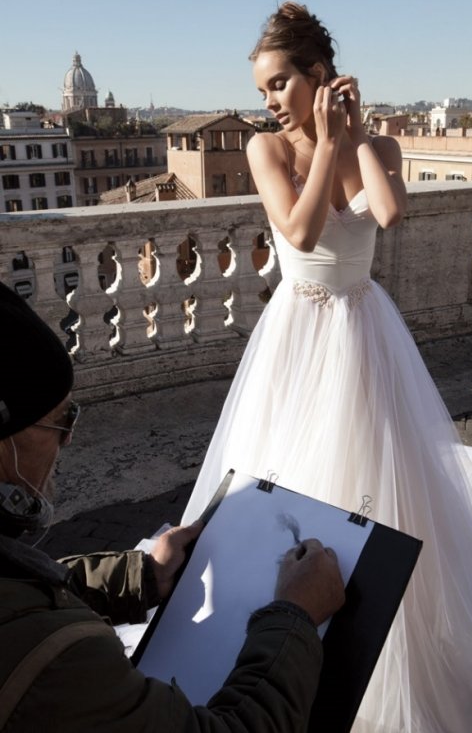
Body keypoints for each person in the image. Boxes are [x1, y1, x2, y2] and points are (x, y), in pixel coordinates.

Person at [181, 2, 472, 732]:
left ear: (320, 74)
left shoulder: (376, 144)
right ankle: (287, 634)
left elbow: (387, 214)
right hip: (296, 333)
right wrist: (324, 142)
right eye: (263, 88)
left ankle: (383, 638)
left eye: (280, 82)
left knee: (380, 478)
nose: (270, 100)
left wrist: (353, 138)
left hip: (363, 329)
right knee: (291, 474)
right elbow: (298, 231)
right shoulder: (265, 149)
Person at [0, 281, 345, 732]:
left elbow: (24, 595)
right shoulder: (55, 661)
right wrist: (295, 617)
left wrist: (141, 575)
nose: (67, 440)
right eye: (61, 420)